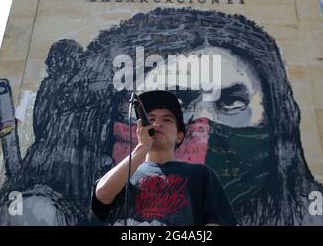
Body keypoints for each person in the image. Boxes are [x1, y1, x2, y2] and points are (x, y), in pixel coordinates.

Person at [91, 90, 238, 226]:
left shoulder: (201, 174)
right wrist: (142, 148)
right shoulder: (123, 173)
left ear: (179, 136)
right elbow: (102, 195)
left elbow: (221, 221)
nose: (157, 123)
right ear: (139, 131)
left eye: (167, 120)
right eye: (150, 119)